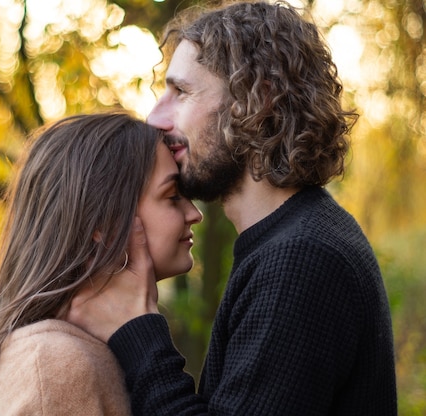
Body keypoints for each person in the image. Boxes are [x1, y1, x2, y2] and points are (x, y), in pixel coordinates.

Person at [66, 2, 398, 415]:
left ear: (256, 100)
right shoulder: (289, 242)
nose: (155, 117)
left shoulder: (300, 258)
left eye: (181, 91)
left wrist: (137, 330)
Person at [0, 112, 202, 415]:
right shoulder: (54, 364)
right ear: (106, 222)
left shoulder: (74, 353)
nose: (195, 213)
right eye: (173, 196)